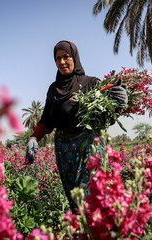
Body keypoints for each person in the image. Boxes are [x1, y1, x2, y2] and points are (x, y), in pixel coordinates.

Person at [26, 40, 127, 213]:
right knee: (75, 197)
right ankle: (82, 231)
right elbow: (46, 120)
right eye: (58, 59)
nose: (62, 62)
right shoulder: (53, 89)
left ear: (75, 57)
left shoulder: (92, 83)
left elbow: (105, 117)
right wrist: (34, 137)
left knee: (91, 195)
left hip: (88, 147)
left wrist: (119, 105)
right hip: (64, 151)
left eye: (66, 57)